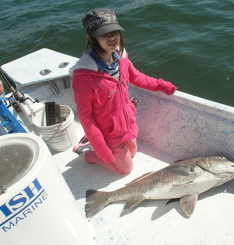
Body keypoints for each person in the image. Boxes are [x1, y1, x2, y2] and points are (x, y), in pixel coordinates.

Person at [70, 8, 177, 174]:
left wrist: (162, 85)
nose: (112, 38)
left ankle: (95, 146)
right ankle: (88, 153)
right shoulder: (83, 77)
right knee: (125, 169)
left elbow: (139, 78)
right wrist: (102, 152)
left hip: (128, 124)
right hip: (109, 133)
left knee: (133, 153)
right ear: (90, 38)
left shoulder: (122, 61)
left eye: (115, 32)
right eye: (105, 34)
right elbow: (86, 117)